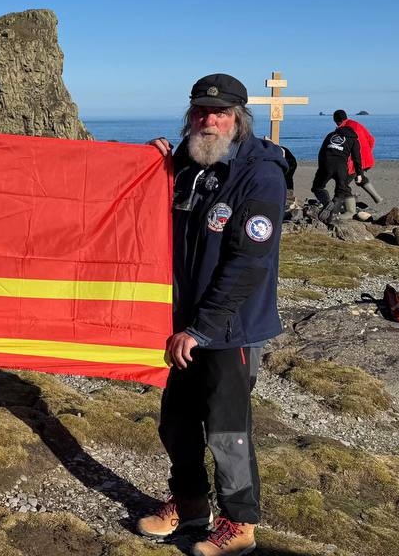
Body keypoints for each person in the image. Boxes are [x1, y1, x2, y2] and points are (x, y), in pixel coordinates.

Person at [139, 73, 288, 556]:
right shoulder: (187, 161)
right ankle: (189, 504)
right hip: (181, 322)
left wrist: (202, 327)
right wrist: (146, 161)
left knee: (226, 427)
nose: (209, 121)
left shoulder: (260, 174)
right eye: (201, 112)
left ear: (238, 120)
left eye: (220, 113)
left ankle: (239, 522)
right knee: (176, 420)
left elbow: (249, 262)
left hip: (231, 327)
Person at [310, 115, 363, 223]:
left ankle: (326, 202)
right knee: (340, 192)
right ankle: (332, 217)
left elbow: (321, 152)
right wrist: (359, 173)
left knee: (317, 187)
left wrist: (321, 167)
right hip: (341, 168)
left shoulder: (330, 135)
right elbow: (357, 158)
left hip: (326, 165)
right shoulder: (353, 139)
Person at [333, 109, 383, 204]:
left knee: (343, 184)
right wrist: (367, 153)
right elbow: (371, 139)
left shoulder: (342, 130)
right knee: (359, 177)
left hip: (354, 162)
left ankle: (347, 209)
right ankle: (377, 198)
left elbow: (343, 148)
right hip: (366, 159)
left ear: (336, 120)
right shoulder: (357, 124)